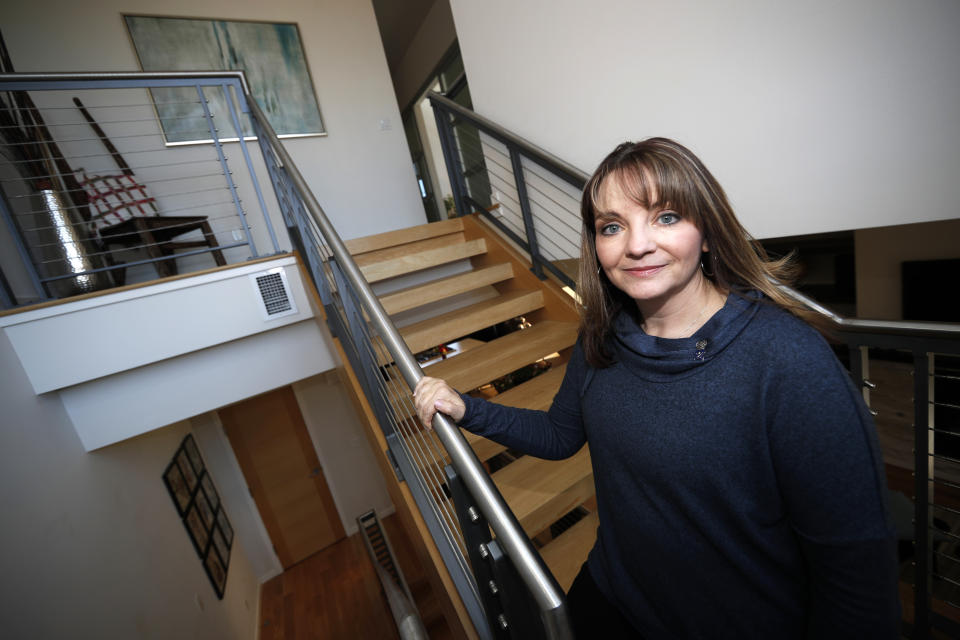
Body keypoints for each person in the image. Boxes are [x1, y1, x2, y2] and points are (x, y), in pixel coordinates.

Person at [413, 138, 900, 639]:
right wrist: (468, 410)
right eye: (611, 226)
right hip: (614, 595)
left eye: (665, 217)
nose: (637, 245)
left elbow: (855, 576)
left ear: (707, 234)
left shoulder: (789, 360)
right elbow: (561, 435)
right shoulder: (602, 338)